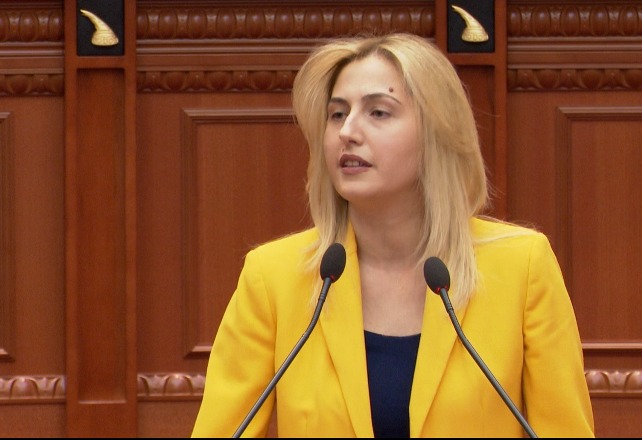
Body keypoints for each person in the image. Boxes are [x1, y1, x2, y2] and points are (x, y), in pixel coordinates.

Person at [191, 32, 594, 438]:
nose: (348, 131)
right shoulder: (273, 278)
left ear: (436, 133)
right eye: (337, 114)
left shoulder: (522, 268)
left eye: (378, 112)